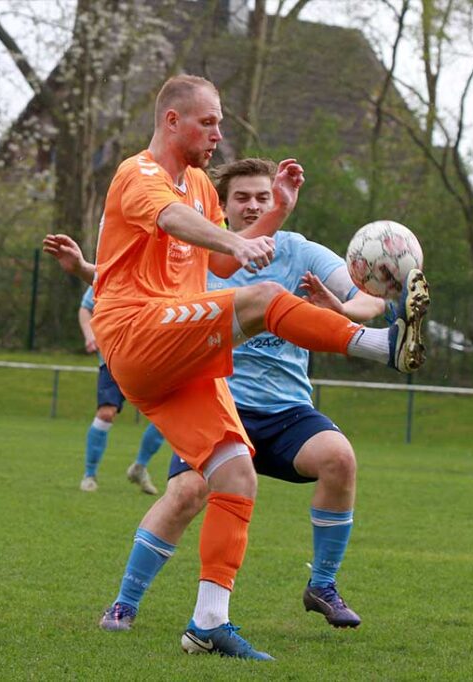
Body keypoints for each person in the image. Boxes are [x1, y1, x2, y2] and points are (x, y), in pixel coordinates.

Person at [41, 73, 430, 661]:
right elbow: (174, 224)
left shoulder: (199, 184)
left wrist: (267, 219)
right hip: (135, 332)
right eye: (208, 121)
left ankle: (207, 624)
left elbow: (218, 270)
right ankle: (381, 348)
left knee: (234, 473)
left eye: (220, 122)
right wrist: (234, 244)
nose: (218, 133)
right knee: (261, 301)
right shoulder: (139, 174)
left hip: (184, 362)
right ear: (172, 121)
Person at [76, 285, 159, 495]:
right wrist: (89, 335)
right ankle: (89, 475)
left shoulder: (159, 273)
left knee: (167, 418)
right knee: (106, 414)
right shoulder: (108, 271)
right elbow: (86, 308)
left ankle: (139, 467)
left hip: (149, 359)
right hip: (112, 359)